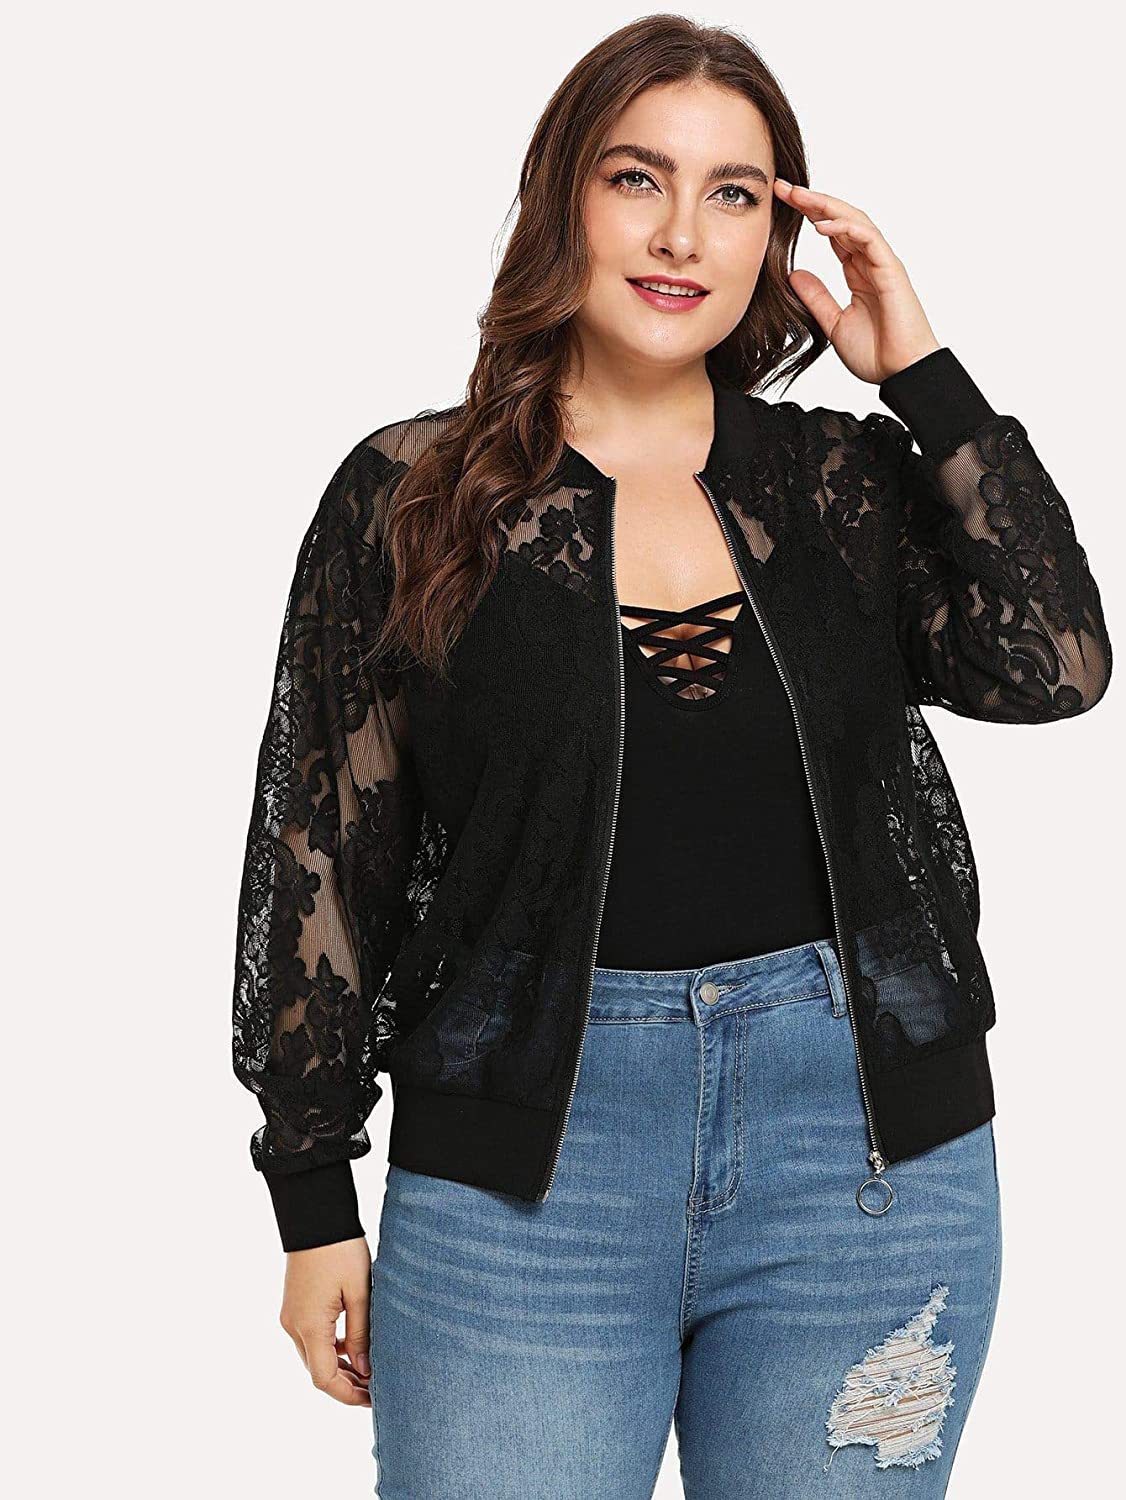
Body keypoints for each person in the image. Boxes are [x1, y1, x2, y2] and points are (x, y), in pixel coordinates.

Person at [230, 15, 1112, 1497]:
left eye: (734, 194)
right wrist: (312, 1195)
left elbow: (1055, 666)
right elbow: (319, 850)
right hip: (524, 1176)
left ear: (778, 234)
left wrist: (920, 373)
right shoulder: (414, 496)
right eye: (638, 178)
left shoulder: (838, 483)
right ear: (561, 196)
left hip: (863, 1165)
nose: (682, 235)